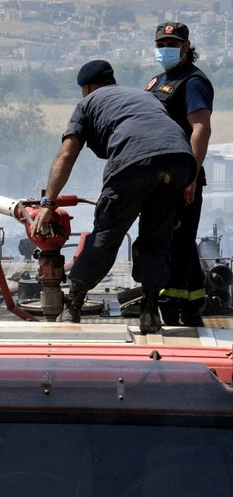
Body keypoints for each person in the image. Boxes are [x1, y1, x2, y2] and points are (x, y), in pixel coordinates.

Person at [31, 60, 195, 334]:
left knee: (106, 237)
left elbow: (67, 153)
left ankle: (73, 305)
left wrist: (48, 202)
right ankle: (149, 312)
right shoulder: (145, 96)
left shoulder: (87, 103)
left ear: (87, 87)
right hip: (180, 160)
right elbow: (163, 135)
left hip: (134, 161)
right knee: (157, 240)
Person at [145, 22, 214, 327]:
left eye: (173, 44)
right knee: (180, 239)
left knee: (176, 241)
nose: (166, 49)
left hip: (181, 176)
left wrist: (191, 175)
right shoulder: (158, 80)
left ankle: (172, 305)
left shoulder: (193, 82)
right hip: (160, 177)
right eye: (162, 44)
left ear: (186, 47)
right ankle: (194, 303)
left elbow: (200, 128)